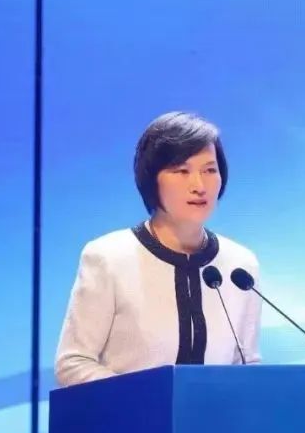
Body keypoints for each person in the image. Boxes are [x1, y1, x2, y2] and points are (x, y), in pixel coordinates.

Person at [54, 111, 261, 387]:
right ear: (152, 179)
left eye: (210, 170)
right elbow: (73, 363)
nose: (199, 185)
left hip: (214, 416)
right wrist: (146, 399)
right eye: (182, 171)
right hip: (130, 414)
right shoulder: (108, 258)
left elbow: (246, 365)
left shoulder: (240, 266)